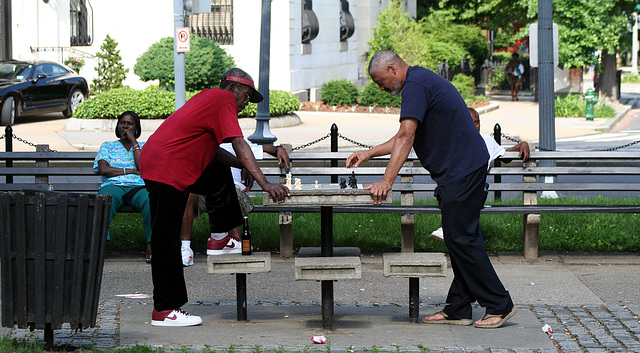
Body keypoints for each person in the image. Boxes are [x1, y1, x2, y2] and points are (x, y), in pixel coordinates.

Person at [346, 50, 517, 329]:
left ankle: (500, 304)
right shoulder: (420, 81)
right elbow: (405, 136)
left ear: (392, 69)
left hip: (462, 171)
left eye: (380, 81)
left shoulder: (415, 85)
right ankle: (459, 309)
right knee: (459, 239)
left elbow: (406, 136)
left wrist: (386, 181)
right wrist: (369, 153)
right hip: (462, 170)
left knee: (462, 240)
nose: (381, 88)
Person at [139, 68, 290, 327]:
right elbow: (238, 142)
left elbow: (218, 154)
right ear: (231, 88)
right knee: (166, 240)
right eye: (246, 95)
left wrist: (242, 166)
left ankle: (219, 238)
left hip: (168, 163)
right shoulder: (222, 100)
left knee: (219, 171)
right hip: (165, 168)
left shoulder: (208, 100)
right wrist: (265, 182)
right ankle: (164, 311)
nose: (246, 103)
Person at [179, 142, 290, 266]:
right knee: (189, 193)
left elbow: (266, 148)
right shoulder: (206, 143)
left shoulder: (237, 144)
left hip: (234, 189)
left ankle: (235, 242)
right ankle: (186, 248)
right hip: (208, 191)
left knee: (232, 190)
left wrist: (278, 149)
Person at [430, 107, 530, 241]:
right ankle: (456, 234)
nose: (474, 126)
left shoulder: (487, 141)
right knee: (452, 192)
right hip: (454, 189)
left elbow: (505, 156)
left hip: (475, 189)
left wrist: (521, 145)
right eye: (470, 122)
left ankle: (449, 230)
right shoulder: (453, 141)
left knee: (475, 192)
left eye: (477, 122)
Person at [94, 111, 152, 262]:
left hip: (138, 187)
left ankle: (152, 246)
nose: (125, 126)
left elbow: (143, 167)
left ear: (136, 127)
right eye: (122, 123)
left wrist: (134, 142)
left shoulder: (144, 146)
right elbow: (104, 169)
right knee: (104, 201)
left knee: (151, 201)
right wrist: (131, 170)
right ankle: (99, 246)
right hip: (114, 185)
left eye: (130, 123)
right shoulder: (108, 146)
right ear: (118, 125)